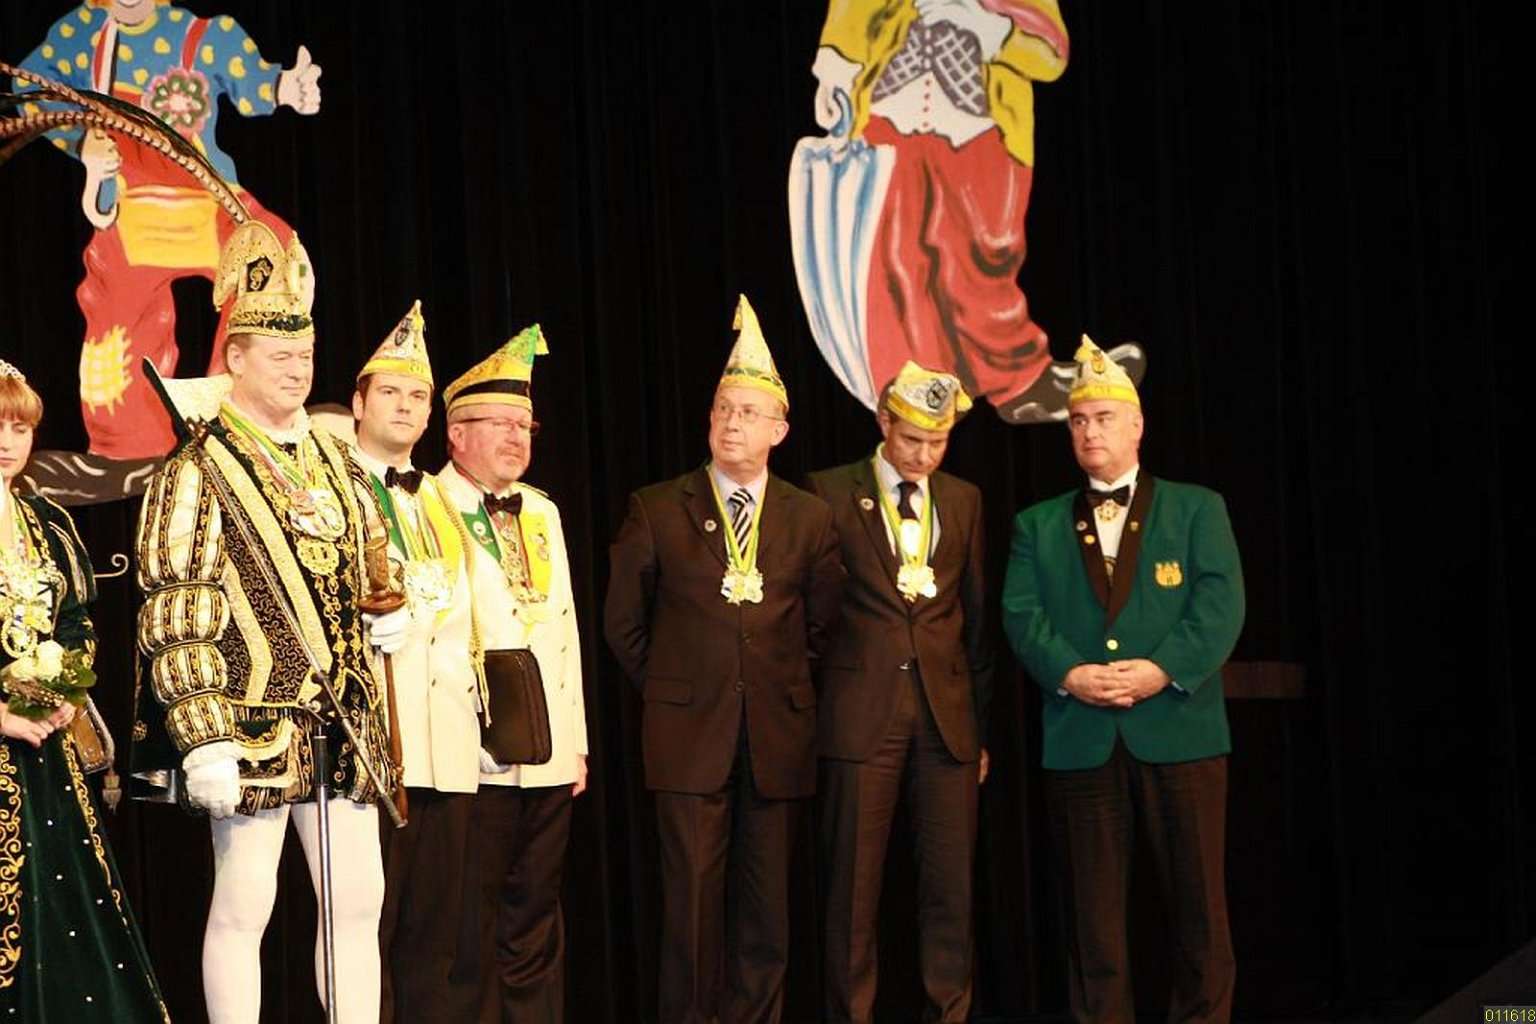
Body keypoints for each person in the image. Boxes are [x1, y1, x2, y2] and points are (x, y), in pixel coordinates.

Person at [133, 221, 408, 1024]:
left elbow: (374, 562)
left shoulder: (338, 461)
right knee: (245, 901)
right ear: (237, 358)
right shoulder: (197, 467)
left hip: (342, 717)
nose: (297, 370)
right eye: (280, 355)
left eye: (306, 356)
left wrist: (390, 610)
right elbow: (176, 605)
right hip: (247, 717)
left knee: (358, 901)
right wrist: (203, 733)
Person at [604, 295, 844, 1023]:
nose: (733, 423)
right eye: (723, 410)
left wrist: (770, 685)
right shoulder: (657, 506)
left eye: (749, 412)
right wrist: (676, 687)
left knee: (766, 915)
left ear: (779, 429)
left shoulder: (811, 516)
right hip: (688, 737)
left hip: (777, 736)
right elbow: (624, 624)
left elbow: (823, 626)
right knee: (691, 910)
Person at [1001, 337, 1245, 1023]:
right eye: (1079, 421)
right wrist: (1070, 673)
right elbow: (1021, 615)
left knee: (1199, 912)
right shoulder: (1036, 524)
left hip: (1181, 733)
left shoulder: (1198, 508)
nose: (1090, 432)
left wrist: (1162, 669)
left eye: (1104, 418)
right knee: (1094, 921)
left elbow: (1220, 605)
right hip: (1083, 738)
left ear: (1137, 425)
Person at [13, 0, 323, 459]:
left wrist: (287, 87)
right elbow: (27, 87)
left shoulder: (199, 35)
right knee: (118, 327)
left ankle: (240, 423)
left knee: (275, 255)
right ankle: (132, 453)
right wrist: (83, 144)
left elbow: (254, 79)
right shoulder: (85, 36)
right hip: (135, 208)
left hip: (210, 201)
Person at [806, 361, 992, 1023]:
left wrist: (979, 731)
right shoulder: (829, 492)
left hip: (946, 722)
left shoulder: (964, 499)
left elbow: (974, 619)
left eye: (938, 442)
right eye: (912, 439)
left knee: (950, 888)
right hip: (861, 719)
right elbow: (812, 617)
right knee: (852, 891)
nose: (924, 455)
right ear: (883, 422)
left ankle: (951, 1012)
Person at [0, 358, 170, 1021]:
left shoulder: (44, 520)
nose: (9, 441)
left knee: (60, 908)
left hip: (44, 747)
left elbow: (74, 621)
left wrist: (63, 691)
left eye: (20, 428)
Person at [435, 325, 587, 1022]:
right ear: (456, 434)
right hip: (475, 752)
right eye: (499, 423)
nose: (516, 437)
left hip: (548, 754)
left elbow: (566, 630)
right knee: (471, 915)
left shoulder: (544, 510)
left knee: (536, 912)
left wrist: (575, 742)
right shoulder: (429, 504)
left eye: (524, 425)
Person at [348, 303, 484, 1023]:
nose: (404, 407)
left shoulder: (441, 499)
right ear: (359, 403)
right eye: (390, 393)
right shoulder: (332, 491)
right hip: (375, 745)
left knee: (436, 933)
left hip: (448, 742)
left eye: (417, 396)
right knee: (366, 929)